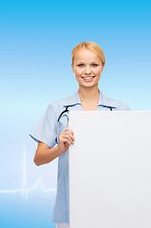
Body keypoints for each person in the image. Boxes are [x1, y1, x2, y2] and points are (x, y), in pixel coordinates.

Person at [29, 41, 130, 228]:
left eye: (94, 65)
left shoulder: (120, 110)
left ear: (102, 66)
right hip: (70, 206)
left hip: (111, 202)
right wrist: (60, 148)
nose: (87, 71)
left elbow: (133, 156)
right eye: (81, 65)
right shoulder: (57, 109)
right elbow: (38, 159)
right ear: (73, 68)